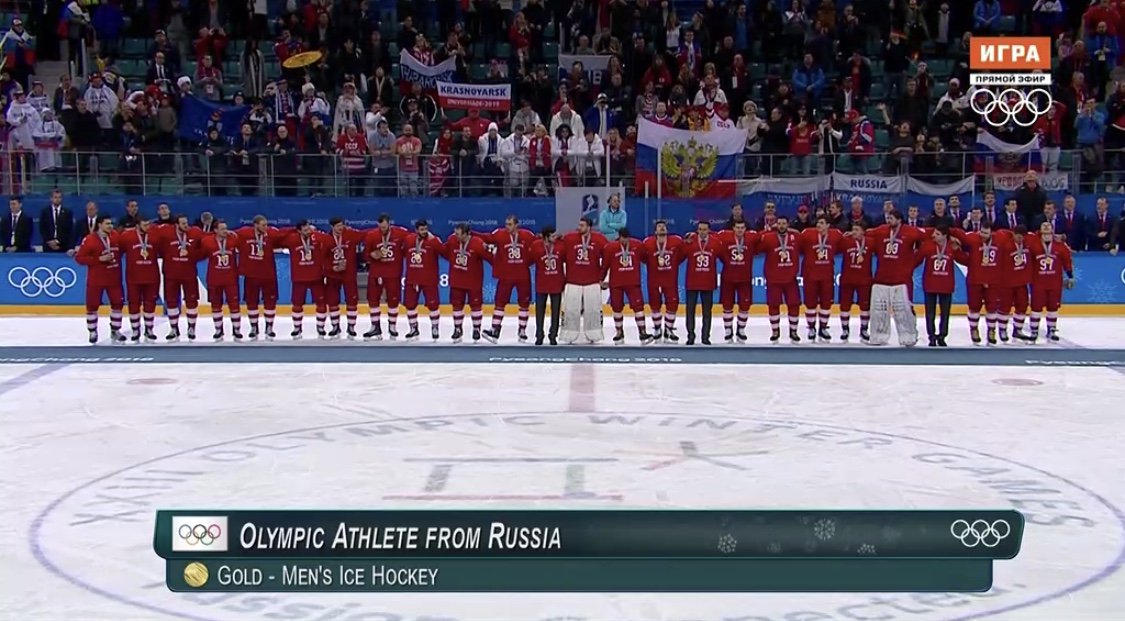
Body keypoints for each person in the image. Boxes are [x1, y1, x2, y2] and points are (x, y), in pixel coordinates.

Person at [866, 210, 925, 346]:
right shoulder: (881, 230)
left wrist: (912, 263)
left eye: (891, 218)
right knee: (879, 310)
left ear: (899, 220)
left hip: (901, 279)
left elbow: (927, 238)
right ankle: (878, 336)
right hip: (882, 278)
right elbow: (866, 234)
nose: (888, 220)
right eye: (888, 218)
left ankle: (908, 336)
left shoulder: (911, 232)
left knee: (903, 310)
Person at [951, 222, 1011, 345]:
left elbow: (1015, 234)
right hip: (975, 280)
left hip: (993, 280)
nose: (983, 235)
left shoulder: (1000, 237)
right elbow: (959, 235)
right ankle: (974, 329)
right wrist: (955, 248)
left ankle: (991, 330)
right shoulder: (972, 238)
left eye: (986, 233)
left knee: (992, 307)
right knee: (974, 307)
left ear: (991, 232)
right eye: (982, 232)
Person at [481, 215, 536, 343]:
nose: (507, 227)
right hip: (505, 276)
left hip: (522, 275)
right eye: (506, 224)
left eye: (510, 224)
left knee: (524, 303)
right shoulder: (500, 234)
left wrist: (526, 263)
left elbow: (537, 247)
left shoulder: (527, 235)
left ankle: (522, 331)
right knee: (500, 302)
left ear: (517, 225)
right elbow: (486, 237)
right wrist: (470, 233)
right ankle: (495, 330)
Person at [235, 215, 287, 340]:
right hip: (251, 275)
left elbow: (284, 233)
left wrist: (298, 229)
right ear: (255, 225)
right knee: (251, 302)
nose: (266, 227)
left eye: (266, 225)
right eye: (263, 225)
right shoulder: (244, 233)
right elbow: (229, 235)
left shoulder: (271, 234)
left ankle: (269, 327)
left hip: (268, 275)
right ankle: (254, 327)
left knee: (270, 301)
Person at [75, 216, 125, 344]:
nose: (110, 226)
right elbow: (79, 258)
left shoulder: (116, 236)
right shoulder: (90, 239)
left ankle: (115, 330)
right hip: (96, 279)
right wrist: (98, 259)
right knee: (92, 305)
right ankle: (92, 331)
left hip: (114, 278)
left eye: (111, 223)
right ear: (99, 225)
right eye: (107, 223)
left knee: (117, 304)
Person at [153, 214, 204, 341]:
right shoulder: (165, 232)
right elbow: (155, 243)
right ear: (176, 225)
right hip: (171, 274)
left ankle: (191, 328)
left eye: (187, 222)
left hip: (189, 274)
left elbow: (205, 245)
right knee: (171, 301)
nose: (186, 225)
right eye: (183, 223)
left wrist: (194, 256)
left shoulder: (195, 232)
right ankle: (174, 328)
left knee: (191, 301)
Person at [559, 217, 608, 344]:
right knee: (570, 309)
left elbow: (607, 258)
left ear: (589, 227)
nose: (579, 227)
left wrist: (604, 278)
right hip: (572, 280)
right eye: (579, 225)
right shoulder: (569, 238)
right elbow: (559, 254)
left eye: (582, 225)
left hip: (592, 281)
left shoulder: (600, 239)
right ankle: (568, 333)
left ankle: (594, 334)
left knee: (593, 310)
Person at [601, 227, 653, 344]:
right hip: (616, 283)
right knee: (617, 308)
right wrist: (601, 279)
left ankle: (642, 332)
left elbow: (646, 259)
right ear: (619, 237)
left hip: (633, 282)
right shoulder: (610, 248)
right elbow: (605, 265)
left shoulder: (637, 245)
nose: (625, 241)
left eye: (627, 238)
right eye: (623, 238)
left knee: (638, 307)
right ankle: (619, 332)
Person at [915, 225, 965, 347]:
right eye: (934, 233)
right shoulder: (928, 246)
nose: (934, 235)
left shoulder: (952, 247)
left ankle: (942, 335)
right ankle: (931, 336)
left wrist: (958, 250)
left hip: (946, 285)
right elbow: (916, 260)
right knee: (930, 313)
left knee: (945, 313)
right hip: (930, 284)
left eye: (937, 234)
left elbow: (964, 260)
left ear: (945, 236)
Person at [278, 220, 329, 339]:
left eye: (309, 229)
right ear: (299, 231)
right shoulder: (292, 239)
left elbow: (329, 241)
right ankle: (297, 328)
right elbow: (278, 236)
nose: (308, 232)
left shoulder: (317, 237)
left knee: (321, 303)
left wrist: (316, 232)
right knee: (297, 304)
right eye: (305, 230)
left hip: (316, 276)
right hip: (299, 278)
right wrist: (292, 229)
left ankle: (320, 327)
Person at [1026, 222, 1075, 343]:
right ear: (1040, 232)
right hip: (1038, 282)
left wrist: (1070, 276)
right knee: (1036, 308)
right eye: (1044, 232)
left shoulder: (1060, 246)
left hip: (1054, 282)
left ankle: (1051, 330)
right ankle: (1034, 331)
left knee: (1053, 307)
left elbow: (1067, 261)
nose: (1046, 235)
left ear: (1053, 232)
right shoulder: (1034, 244)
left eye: (1049, 232)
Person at [445, 223, 493, 343]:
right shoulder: (452, 240)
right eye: (455, 233)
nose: (456, 236)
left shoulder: (477, 243)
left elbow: (491, 258)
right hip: (457, 280)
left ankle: (476, 329)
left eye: (458, 234)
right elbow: (445, 253)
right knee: (457, 305)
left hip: (473, 282)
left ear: (466, 234)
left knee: (476, 306)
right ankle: (457, 329)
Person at [363, 214, 408, 340]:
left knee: (393, 300)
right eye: (380, 227)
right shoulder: (371, 235)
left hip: (393, 273)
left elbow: (412, 242)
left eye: (384, 227)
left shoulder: (400, 233)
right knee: (373, 299)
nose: (382, 229)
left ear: (389, 223)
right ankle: (375, 326)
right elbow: (365, 254)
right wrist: (372, 255)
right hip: (376, 273)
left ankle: (392, 326)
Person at [758, 215, 802, 343]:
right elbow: (758, 247)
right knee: (773, 305)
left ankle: (793, 331)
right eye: (779, 223)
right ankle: (775, 331)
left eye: (784, 223)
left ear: (788, 225)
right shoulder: (768, 237)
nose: (781, 226)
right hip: (774, 279)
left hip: (790, 278)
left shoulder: (795, 237)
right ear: (776, 225)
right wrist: (765, 231)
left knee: (794, 305)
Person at [798, 216, 842, 342]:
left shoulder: (836, 235)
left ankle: (823, 327)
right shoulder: (807, 234)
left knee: (826, 303)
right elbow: (797, 243)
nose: (818, 225)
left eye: (822, 223)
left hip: (827, 275)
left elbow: (843, 243)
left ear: (828, 225)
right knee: (810, 303)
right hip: (810, 275)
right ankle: (811, 327)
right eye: (817, 222)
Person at [322, 217, 366, 339]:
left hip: (349, 274)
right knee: (333, 301)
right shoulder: (326, 239)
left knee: (352, 300)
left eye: (342, 225)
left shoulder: (351, 234)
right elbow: (322, 259)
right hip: (333, 275)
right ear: (332, 227)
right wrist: (332, 268)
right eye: (338, 226)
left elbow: (366, 235)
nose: (341, 228)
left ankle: (351, 327)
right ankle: (335, 326)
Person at [118, 215, 160, 342]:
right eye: (145, 225)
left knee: (150, 303)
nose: (148, 227)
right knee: (133, 303)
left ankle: (149, 329)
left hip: (151, 276)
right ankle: (135, 329)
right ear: (137, 226)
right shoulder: (126, 236)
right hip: (133, 277)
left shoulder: (155, 235)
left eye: (149, 224)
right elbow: (118, 251)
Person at [199, 221, 243, 340]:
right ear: (215, 230)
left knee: (234, 305)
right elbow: (201, 254)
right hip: (214, 279)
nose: (226, 231)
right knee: (216, 305)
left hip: (231, 278)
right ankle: (218, 330)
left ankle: (236, 329)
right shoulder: (207, 241)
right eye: (222, 229)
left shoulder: (233, 239)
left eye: (226, 228)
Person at [402, 220, 446, 341]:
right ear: (416, 230)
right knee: (410, 305)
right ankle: (413, 329)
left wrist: (435, 241)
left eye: (426, 229)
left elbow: (445, 253)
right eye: (421, 230)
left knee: (433, 305)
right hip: (412, 279)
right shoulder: (409, 240)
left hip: (429, 279)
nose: (424, 232)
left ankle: (435, 327)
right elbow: (403, 253)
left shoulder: (433, 240)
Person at [642, 220, 684, 343]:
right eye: (659, 227)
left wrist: (673, 264)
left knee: (673, 303)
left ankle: (668, 329)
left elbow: (681, 255)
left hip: (670, 279)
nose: (661, 228)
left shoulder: (676, 241)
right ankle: (657, 329)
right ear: (655, 231)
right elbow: (644, 258)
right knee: (655, 304)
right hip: (654, 279)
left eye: (663, 226)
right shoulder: (648, 242)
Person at [683, 221, 723, 345]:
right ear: (697, 230)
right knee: (690, 311)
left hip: (708, 282)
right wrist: (685, 242)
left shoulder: (715, 243)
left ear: (709, 230)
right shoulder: (690, 242)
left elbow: (724, 257)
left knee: (707, 311)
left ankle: (705, 336)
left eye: (705, 229)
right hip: (692, 282)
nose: (702, 232)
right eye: (700, 229)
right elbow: (680, 256)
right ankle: (690, 336)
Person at [717, 220, 757, 342]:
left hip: (745, 279)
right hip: (728, 278)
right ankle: (728, 330)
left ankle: (741, 329)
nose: (740, 230)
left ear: (745, 229)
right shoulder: (725, 237)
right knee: (727, 305)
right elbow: (710, 236)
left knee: (744, 306)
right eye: (737, 227)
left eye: (742, 227)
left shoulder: (751, 238)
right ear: (733, 228)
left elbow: (764, 236)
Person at [836, 222, 873, 341]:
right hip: (847, 279)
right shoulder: (846, 241)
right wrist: (843, 237)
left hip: (864, 280)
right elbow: (834, 246)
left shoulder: (870, 242)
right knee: (845, 305)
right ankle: (845, 329)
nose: (854, 232)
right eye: (853, 229)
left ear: (863, 231)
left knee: (865, 306)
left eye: (857, 230)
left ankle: (864, 329)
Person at [529, 227, 565, 345]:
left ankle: (553, 335)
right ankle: (539, 334)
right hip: (542, 283)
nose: (555, 237)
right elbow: (529, 259)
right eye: (553, 236)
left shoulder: (561, 245)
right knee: (540, 311)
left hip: (556, 283)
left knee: (556, 311)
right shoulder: (536, 246)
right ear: (546, 237)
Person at [999, 226, 1033, 341]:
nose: (1019, 238)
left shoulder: (1027, 245)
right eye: (1017, 236)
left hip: (1022, 282)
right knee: (1005, 306)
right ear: (1013, 234)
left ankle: (1018, 329)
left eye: (1022, 236)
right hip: (1006, 282)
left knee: (1022, 305)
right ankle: (1002, 329)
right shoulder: (1006, 246)